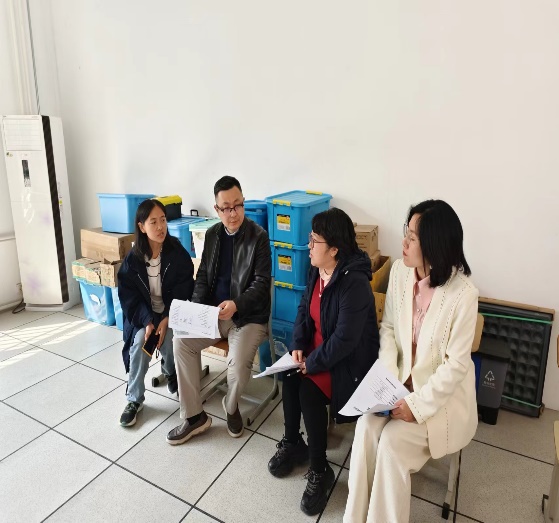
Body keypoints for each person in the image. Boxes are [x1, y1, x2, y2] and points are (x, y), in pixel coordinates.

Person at [344, 199, 479, 523]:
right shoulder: (401, 274)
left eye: (412, 237)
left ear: (434, 245)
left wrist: (415, 405)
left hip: (440, 400)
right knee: (365, 428)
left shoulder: (464, 295)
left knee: (391, 444)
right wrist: (389, 382)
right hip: (399, 386)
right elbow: (389, 328)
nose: (403, 241)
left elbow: (455, 367)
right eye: (407, 231)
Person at [267, 208, 379, 517]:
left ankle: (320, 469)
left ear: (334, 249)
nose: (309, 245)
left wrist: (312, 363)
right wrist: (298, 346)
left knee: (308, 391)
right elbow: (304, 311)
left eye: (315, 241)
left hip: (347, 361)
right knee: (289, 376)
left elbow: (345, 340)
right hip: (318, 351)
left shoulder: (354, 283)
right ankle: (293, 443)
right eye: (310, 238)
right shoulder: (316, 269)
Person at [167, 176, 271, 445]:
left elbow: (261, 284)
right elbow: (203, 275)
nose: (233, 213)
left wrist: (237, 304)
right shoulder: (213, 235)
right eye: (226, 208)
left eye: (237, 205)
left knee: (237, 364)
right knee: (181, 342)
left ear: (243, 203)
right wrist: (196, 310)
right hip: (215, 314)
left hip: (248, 316)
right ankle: (194, 416)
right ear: (217, 209)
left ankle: (231, 406)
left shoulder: (259, 236)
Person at [118, 198, 194, 427]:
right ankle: (134, 398)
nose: (161, 227)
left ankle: (170, 373)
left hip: (172, 313)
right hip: (144, 318)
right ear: (142, 227)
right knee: (143, 340)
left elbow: (185, 285)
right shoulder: (133, 260)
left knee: (169, 337)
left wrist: (168, 316)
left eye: (163, 220)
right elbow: (128, 298)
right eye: (153, 222)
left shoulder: (175, 251)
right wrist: (148, 321)